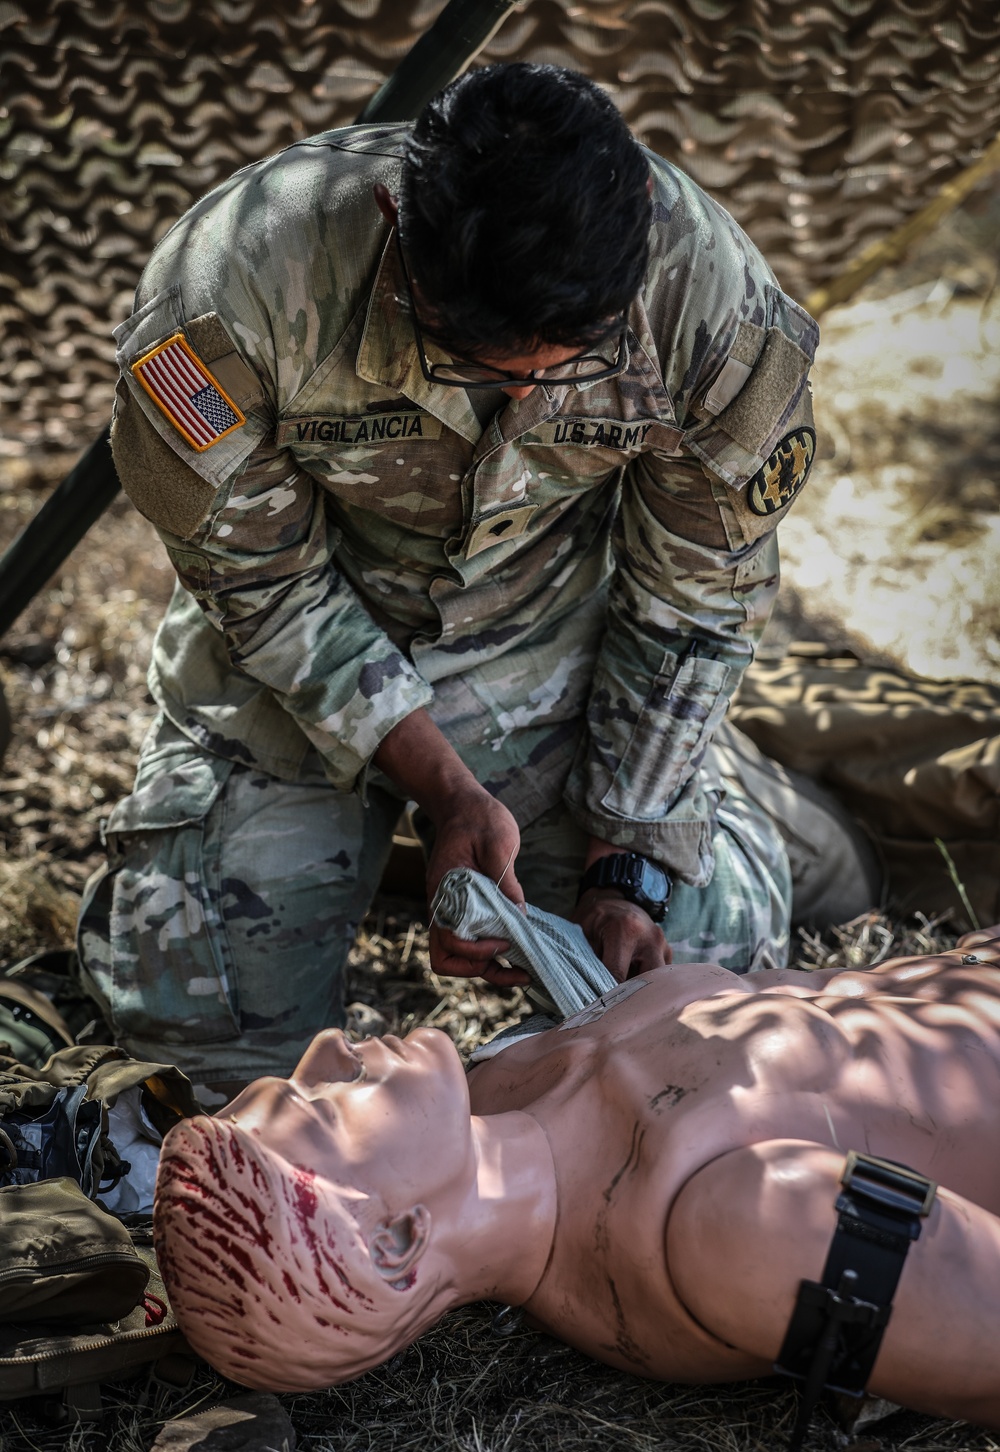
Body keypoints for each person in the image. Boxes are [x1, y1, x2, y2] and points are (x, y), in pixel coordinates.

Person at [78, 62, 877, 1094]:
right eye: (477, 361)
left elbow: (695, 595)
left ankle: (743, 801)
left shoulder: (708, 304)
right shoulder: (230, 295)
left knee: (694, 998)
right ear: (391, 218)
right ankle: (379, 832)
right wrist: (446, 789)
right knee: (206, 1053)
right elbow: (263, 585)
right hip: (284, 670)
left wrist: (627, 856)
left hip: (539, 653)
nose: (528, 388)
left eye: (565, 358)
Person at [155, 927, 1000, 1430]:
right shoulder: (722, 1233)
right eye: (322, 1105)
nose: (330, 1048)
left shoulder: (497, 1086)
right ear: (397, 1237)